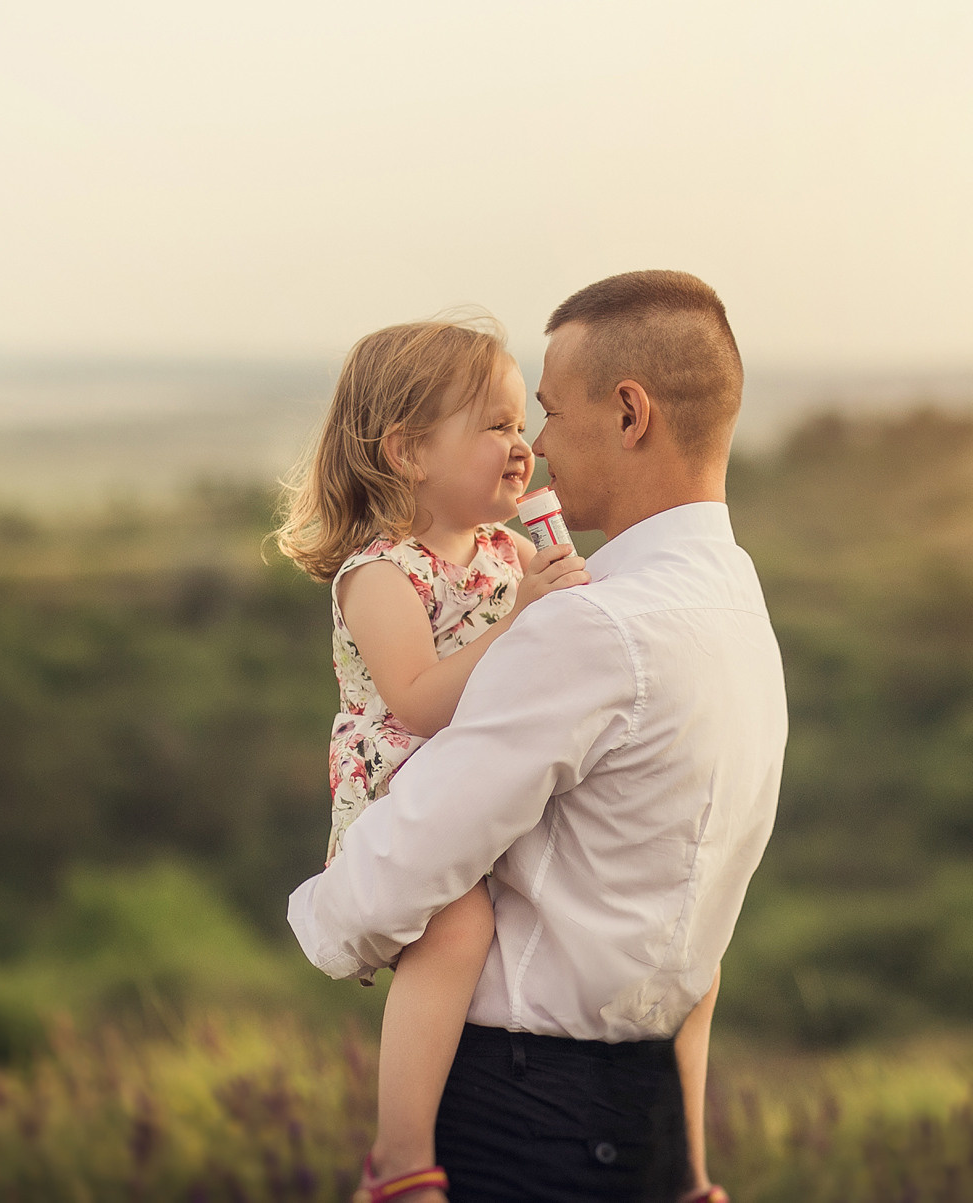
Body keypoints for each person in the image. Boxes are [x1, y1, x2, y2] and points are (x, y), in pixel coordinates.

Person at [290, 271, 787, 1203]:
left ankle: (398, 1163)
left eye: (545, 413)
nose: (536, 446)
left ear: (631, 413)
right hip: (650, 1119)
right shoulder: (736, 605)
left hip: (526, 1118)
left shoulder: (592, 626)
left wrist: (324, 916)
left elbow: (413, 859)